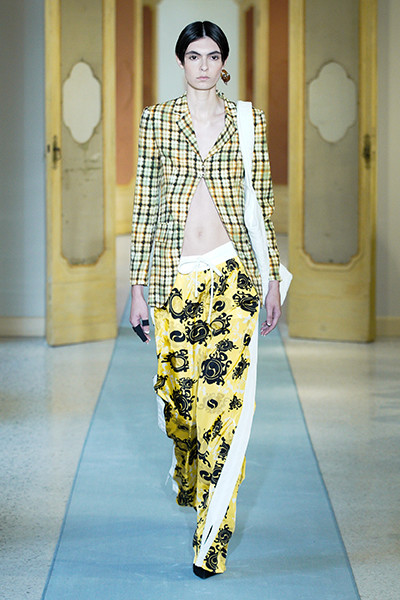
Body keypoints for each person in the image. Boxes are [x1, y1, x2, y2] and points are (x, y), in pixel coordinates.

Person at [129, 20, 281, 579]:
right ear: (180, 61)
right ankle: (192, 478)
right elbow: (145, 204)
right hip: (174, 278)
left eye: (213, 56)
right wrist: (137, 288)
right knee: (184, 407)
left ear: (223, 62)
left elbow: (262, 203)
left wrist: (270, 279)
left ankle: (210, 539)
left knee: (223, 408)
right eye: (194, 56)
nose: (203, 66)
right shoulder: (157, 120)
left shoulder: (248, 121)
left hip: (232, 277)